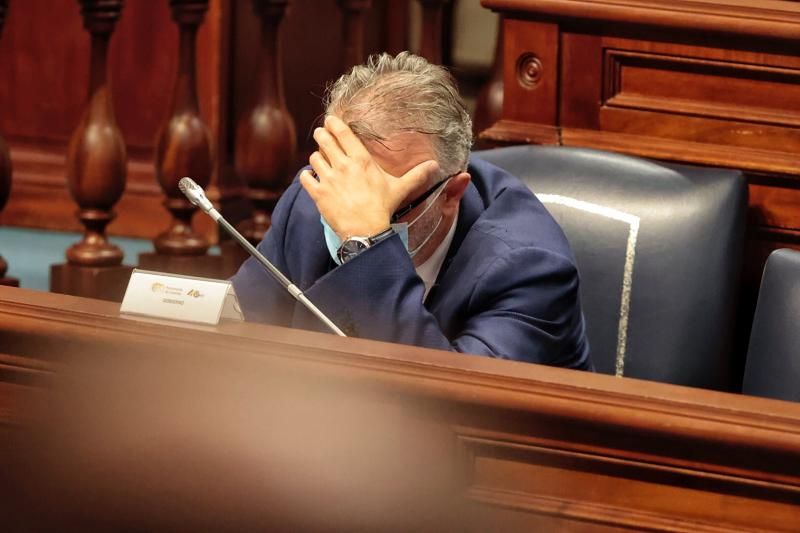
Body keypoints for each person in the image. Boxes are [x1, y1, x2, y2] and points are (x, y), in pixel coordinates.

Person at [232, 52, 592, 370]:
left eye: (385, 201)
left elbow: (454, 407)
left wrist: (368, 244)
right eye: (346, 181)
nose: (345, 211)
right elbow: (236, 332)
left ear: (452, 194)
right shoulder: (318, 196)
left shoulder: (528, 269)